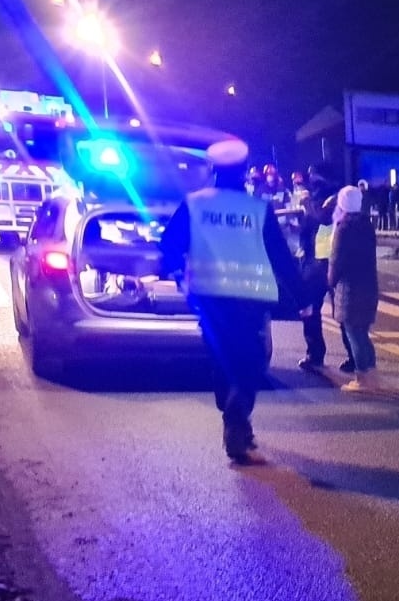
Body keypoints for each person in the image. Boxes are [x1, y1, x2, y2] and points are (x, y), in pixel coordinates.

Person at [160, 138, 311, 464]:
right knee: (251, 362)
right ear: (244, 172)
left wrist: (178, 278)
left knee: (221, 359)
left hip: (208, 298)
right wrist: (303, 298)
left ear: (213, 169)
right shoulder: (258, 209)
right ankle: (236, 417)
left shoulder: (195, 203)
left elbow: (169, 244)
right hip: (249, 299)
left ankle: (235, 418)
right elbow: (280, 256)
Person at [327, 184, 381, 392]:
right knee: (362, 334)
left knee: (354, 334)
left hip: (350, 289)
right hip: (368, 285)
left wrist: (330, 280)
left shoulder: (344, 228)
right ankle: (372, 375)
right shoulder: (366, 226)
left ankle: (362, 380)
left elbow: (336, 260)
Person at [295, 165, 341, 373]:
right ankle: (314, 353)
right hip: (313, 260)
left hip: (328, 261)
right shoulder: (316, 197)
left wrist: (308, 206)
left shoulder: (336, 199)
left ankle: (357, 358)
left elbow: (322, 218)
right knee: (310, 310)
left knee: (342, 311)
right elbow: (308, 226)